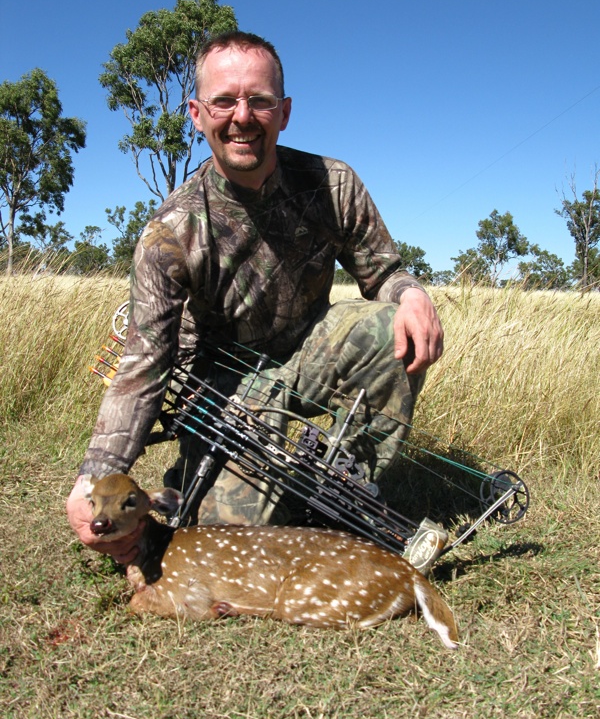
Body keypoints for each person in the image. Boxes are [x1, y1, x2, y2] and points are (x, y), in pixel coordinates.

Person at [67, 31, 444, 566]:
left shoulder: (333, 184)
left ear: (283, 112)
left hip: (310, 349)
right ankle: (199, 477)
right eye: (224, 101)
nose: (242, 116)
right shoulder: (169, 234)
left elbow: (383, 272)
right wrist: (95, 476)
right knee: (229, 538)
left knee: (392, 328)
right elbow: (142, 368)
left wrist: (411, 294)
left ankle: (351, 491)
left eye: (259, 100)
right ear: (197, 114)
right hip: (224, 384)